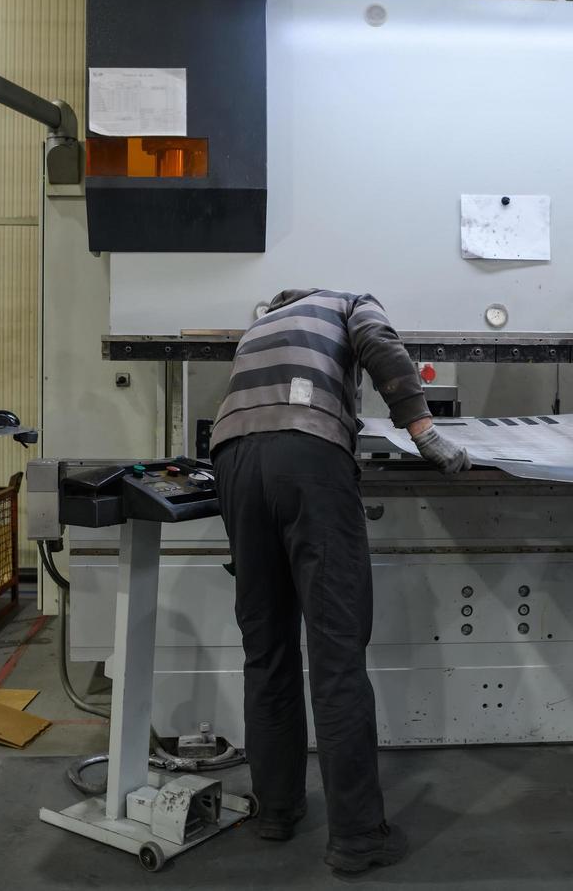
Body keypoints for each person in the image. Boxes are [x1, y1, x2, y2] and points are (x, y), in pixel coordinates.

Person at [209, 289, 469, 873]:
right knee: (336, 656)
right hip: (309, 457)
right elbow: (382, 346)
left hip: (230, 462)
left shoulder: (259, 325)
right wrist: (424, 433)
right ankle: (357, 837)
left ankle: (275, 812)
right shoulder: (350, 302)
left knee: (267, 652)